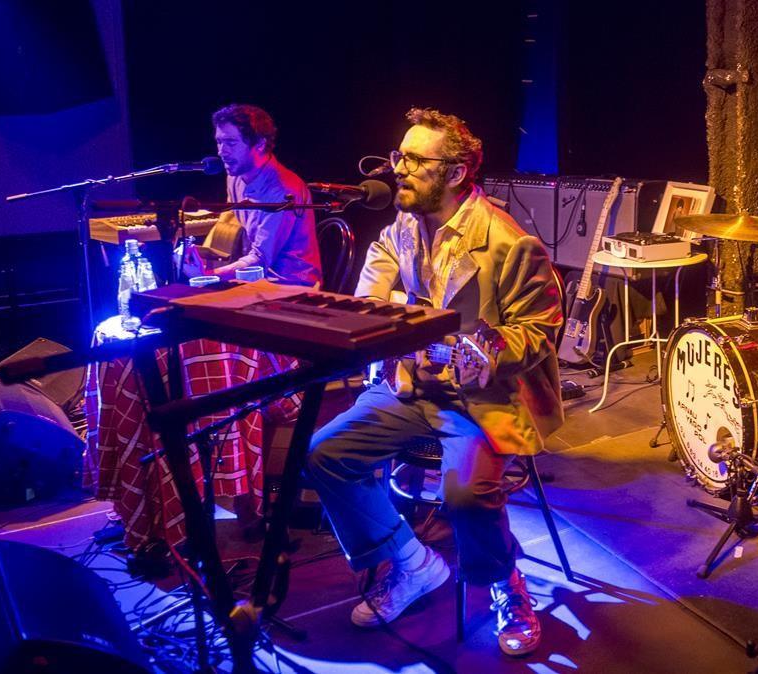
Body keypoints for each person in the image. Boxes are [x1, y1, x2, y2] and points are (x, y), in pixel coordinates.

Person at [305, 108, 564, 657]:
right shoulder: (401, 224)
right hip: (409, 387)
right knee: (326, 451)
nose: (398, 168)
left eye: (414, 159)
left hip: (477, 399)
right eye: (399, 155)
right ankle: (410, 563)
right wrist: (390, 306)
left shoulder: (509, 242)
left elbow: (539, 331)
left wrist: (490, 353)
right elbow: (371, 291)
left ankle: (506, 585)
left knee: (465, 493)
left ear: (455, 173)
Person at [182, 104, 322, 286]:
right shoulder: (235, 176)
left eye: (231, 143)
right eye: (219, 142)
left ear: (260, 144)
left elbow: (260, 259)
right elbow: (230, 221)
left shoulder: (283, 191)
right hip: (257, 282)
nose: (221, 152)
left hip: (289, 286)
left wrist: (210, 274)